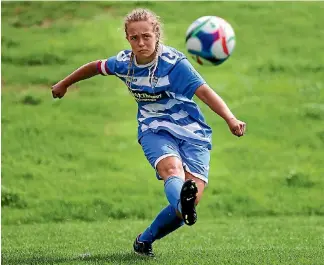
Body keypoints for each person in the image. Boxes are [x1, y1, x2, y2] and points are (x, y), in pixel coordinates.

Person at [51, 8, 246, 257]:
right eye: (134, 38)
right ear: (127, 38)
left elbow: (205, 93)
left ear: (156, 35)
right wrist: (64, 83)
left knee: (189, 205)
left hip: (192, 132)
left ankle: (144, 241)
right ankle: (181, 200)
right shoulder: (123, 63)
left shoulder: (175, 65)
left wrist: (230, 119)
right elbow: (95, 67)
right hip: (154, 128)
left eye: (146, 36)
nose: (141, 42)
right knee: (172, 171)